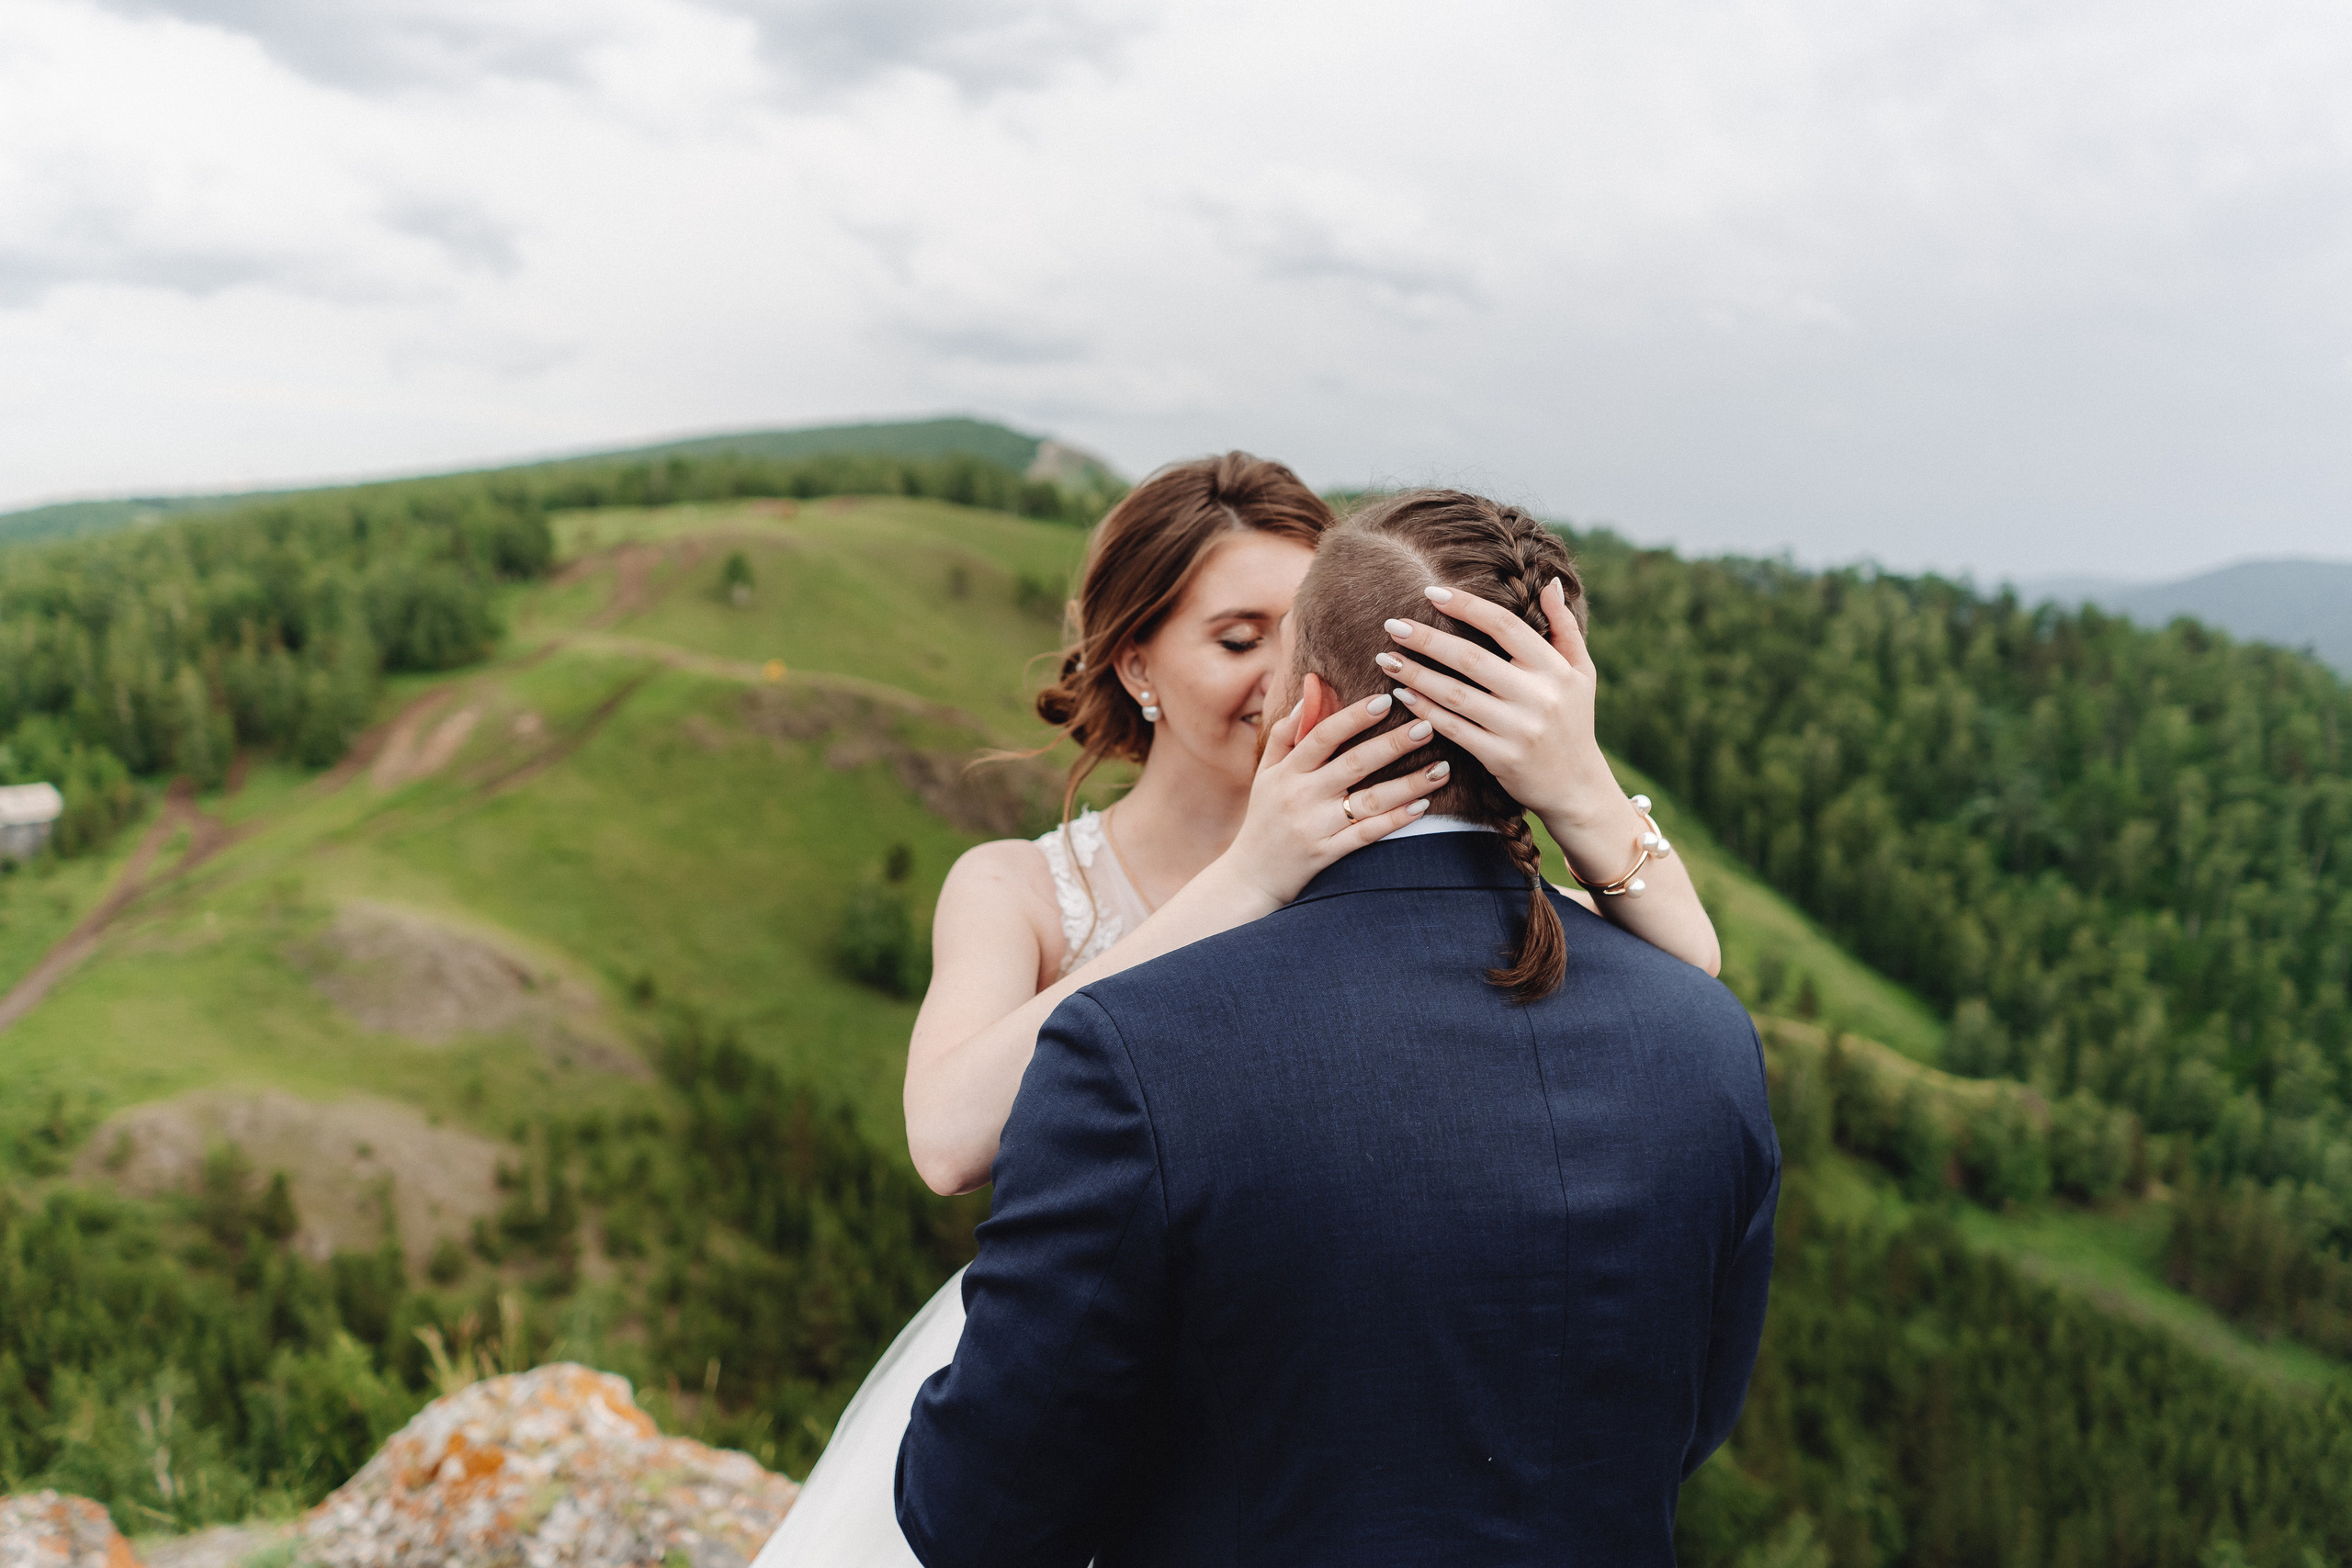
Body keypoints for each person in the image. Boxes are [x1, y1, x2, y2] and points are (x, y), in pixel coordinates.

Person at [752, 457, 1723, 1565]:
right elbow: (946, 1138)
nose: (1278, 675)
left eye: (1299, 628)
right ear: (1137, 662)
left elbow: (1689, 981)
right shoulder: (1015, 886)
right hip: (1073, 1378)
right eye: (1233, 638)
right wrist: (1246, 881)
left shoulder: (1391, 866)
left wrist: (1579, 784)